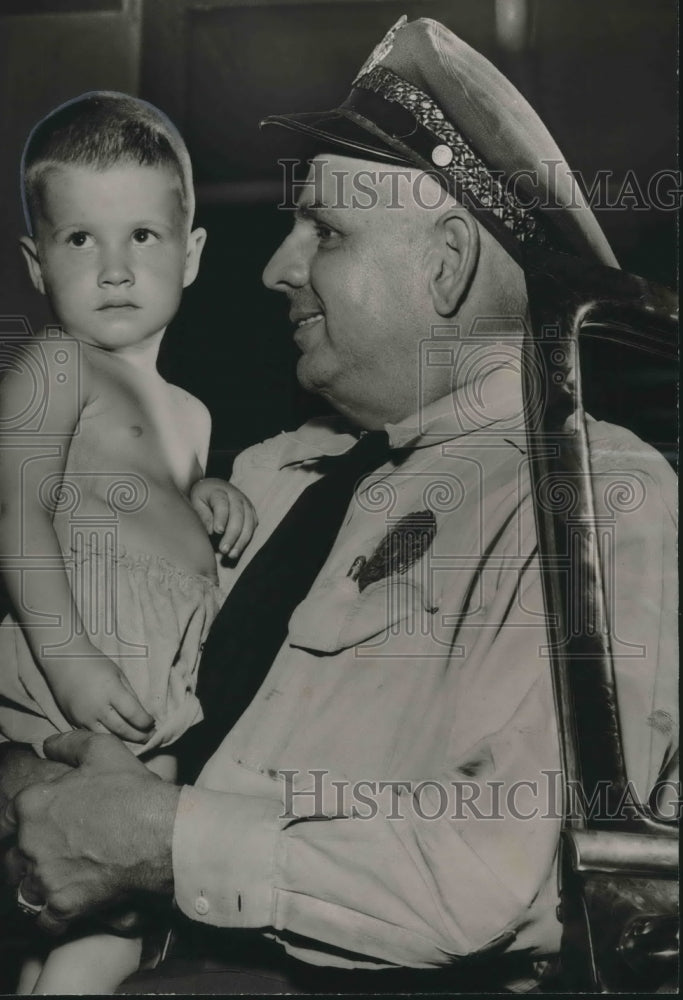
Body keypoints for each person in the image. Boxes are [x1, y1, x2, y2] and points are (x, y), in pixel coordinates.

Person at [0, 18, 677, 995]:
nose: (276, 267)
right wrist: (32, 786)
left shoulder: (587, 500)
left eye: (324, 230)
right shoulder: (271, 479)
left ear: (443, 265)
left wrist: (161, 842)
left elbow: (494, 872)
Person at [0, 93, 255, 993]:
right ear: (37, 263)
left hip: (167, 673)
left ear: (189, 255)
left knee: (104, 907)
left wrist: (209, 498)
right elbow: (16, 512)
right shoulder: (53, 366)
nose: (112, 269)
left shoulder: (193, 412)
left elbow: (160, 499)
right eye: (79, 240)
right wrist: (69, 663)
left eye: (141, 236)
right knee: (104, 906)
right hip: (83, 652)